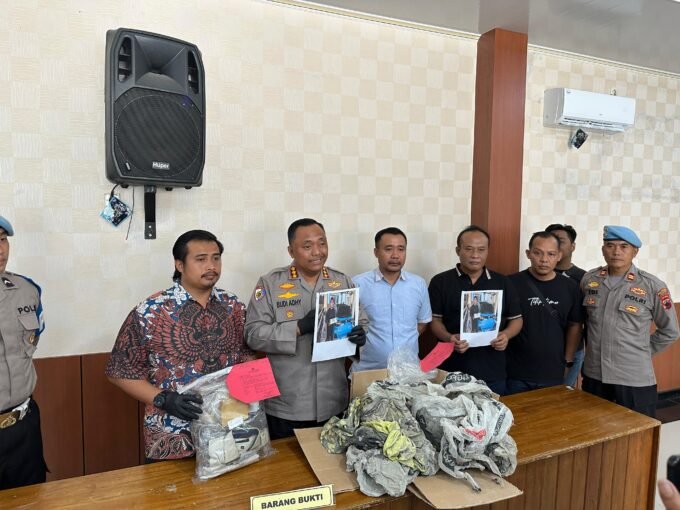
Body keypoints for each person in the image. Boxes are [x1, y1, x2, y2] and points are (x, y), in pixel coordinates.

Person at [105, 230, 254, 461]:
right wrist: (163, 399)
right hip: (173, 437)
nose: (211, 266)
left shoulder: (234, 306)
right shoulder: (151, 311)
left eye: (216, 258)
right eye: (201, 259)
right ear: (179, 265)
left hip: (229, 431)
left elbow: (247, 357)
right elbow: (119, 372)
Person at [245, 218, 367, 440]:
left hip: (334, 401)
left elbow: (363, 323)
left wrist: (360, 337)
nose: (317, 252)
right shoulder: (270, 284)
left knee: (332, 460)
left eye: (322, 243)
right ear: (291, 250)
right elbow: (253, 334)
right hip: (287, 405)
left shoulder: (342, 282)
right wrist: (299, 328)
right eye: (307, 246)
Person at [581, 225, 679, 417]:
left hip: (633, 377)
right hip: (595, 375)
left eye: (624, 246)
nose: (616, 251)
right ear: (603, 249)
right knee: (594, 428)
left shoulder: (652, 286)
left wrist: (641, 351)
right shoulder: (590, 280)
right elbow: (583, 323)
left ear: (635, 252)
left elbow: (670, 331)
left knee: (638, 431)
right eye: (610, 245)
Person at [428, 225, 522, 395]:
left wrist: (506, 335)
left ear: (488, 251)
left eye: (481, 249)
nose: (475, 255)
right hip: (451, 368)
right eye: (469, 249)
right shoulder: (441, 282)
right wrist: (449, 338)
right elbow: (435, 320)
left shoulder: (503, 282)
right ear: (458, 250)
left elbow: (516, 319)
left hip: (492, 369)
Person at [0, 215, 47, 490]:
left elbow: (33, 338)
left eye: (2, 240)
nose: (0, 249)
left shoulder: (26, 291)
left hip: (22, 428)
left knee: (30, 499)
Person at [506, 232, 584, 394]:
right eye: (538, 253)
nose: (544, 259)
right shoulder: (510, 283)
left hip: (553, 371)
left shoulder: (570, 287)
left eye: (551, 254)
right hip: (515, 372)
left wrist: (568, 362)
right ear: (528, 254)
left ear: (559, 256)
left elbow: (575, 325)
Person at [352, 227, 432, 372]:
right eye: (388, 249)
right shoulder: (358, 284)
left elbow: (422, 323)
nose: (395, 255)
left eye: (401, 249)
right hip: (368, 371)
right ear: (376, 252)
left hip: (409, 372)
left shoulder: (418, 284)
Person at [545, 223, 587, 387]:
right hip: (541, 350)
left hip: (572, 351)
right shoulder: (536, 275)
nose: (555, 245)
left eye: (560, 241)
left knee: (563, 395)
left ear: (573, 246)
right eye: (551, 240)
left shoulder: (584, 278)